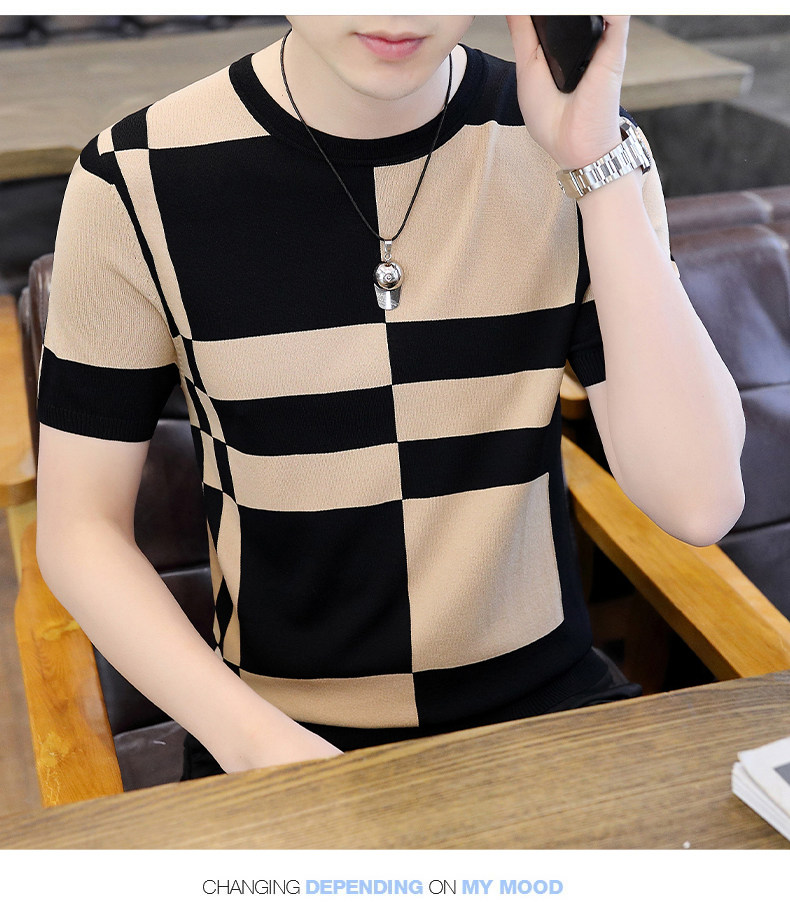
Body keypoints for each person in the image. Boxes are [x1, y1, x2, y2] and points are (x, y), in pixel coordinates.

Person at [34, 16, 745, 780]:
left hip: (549, 713)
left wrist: (597, 169)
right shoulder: (134, 175)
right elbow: (80, 530)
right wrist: (260, 746)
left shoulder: (584, 144)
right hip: (273, 735)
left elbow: (699, 503)